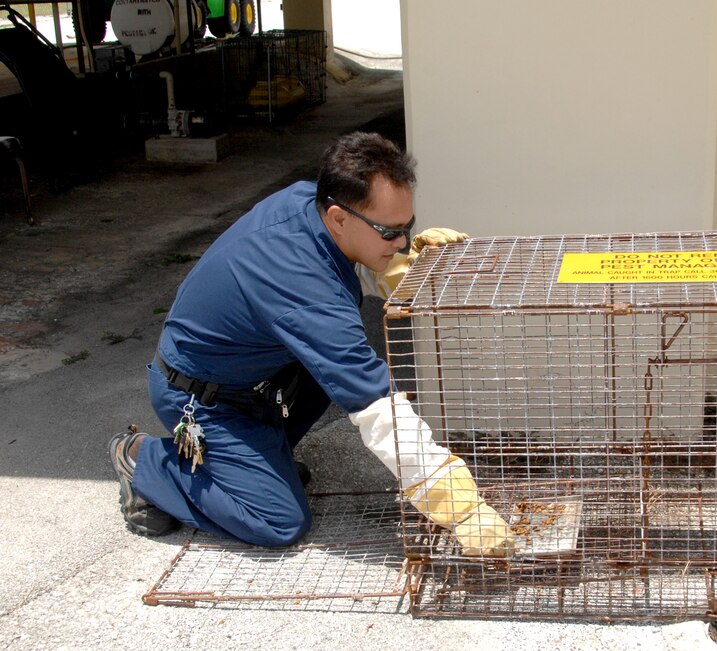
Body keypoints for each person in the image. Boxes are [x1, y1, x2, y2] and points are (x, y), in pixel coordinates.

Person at [108, 131, 514, 558]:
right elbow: (377, 405)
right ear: (339, 217)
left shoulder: (311, 200)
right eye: (390, 232)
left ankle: (253, 464)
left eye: (406, 227)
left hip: (255, 375)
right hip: (200, 397)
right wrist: (462, 509)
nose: (400, 243)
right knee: (279, 520)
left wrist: (402, 265)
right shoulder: (297, 281)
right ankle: (145, 460)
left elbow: (342, 262)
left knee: (327, 374)